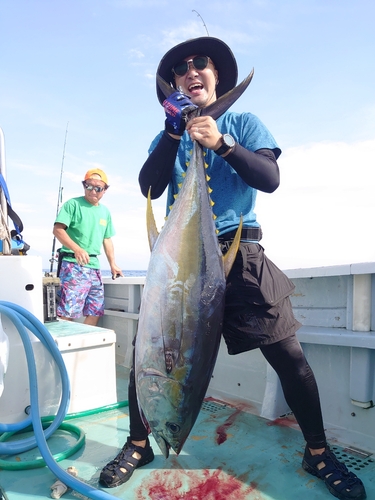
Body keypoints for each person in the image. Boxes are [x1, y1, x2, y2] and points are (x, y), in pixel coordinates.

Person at [99, 38, 366, 500]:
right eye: (181, 69)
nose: (191, 71)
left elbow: (269, 178)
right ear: (176, 84)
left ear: (216, 74)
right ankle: (138, 444)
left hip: (237, 252)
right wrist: (172, 133)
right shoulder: (170, 132)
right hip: (180, 263)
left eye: (200, 63)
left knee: (288, 356)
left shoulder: (242, 120)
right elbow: (149, 184)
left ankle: (317, 452)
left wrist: (219, 142)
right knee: (150, 351)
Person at [53, 168, 123, 326]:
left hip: (94, 268)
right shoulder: (73, 204)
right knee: (67, 312)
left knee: (95, 310)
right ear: (83, 186)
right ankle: (62, 349)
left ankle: (83, 348)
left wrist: (112, 264)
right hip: (73, 265)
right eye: (88, 186)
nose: (93, 191)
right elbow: (57, 230)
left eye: (98, 188)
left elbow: (107, 239)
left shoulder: (105, 212)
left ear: (105, 190)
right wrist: (77, 249)